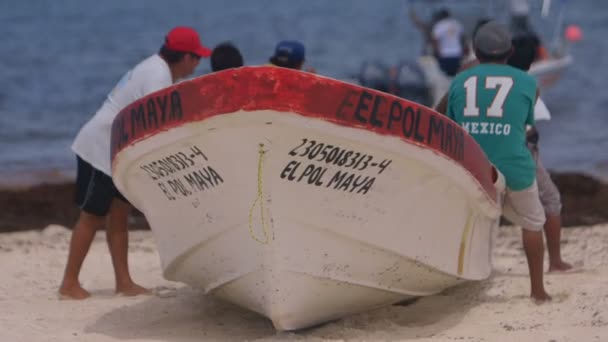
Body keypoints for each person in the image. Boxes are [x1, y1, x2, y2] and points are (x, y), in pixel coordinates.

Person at [59, 26, 211, 300]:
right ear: (185, 57)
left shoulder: (159, 69)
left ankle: (124, 282)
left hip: (118, 150)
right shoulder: (158, 75)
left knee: (119, 213)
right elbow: (158, 126)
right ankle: (69, 283)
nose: (199, 63)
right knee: (92, 216)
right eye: (197, 57)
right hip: (100, 148)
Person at [438, 21, 551, 302]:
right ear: (510, 51)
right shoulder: (528, 82)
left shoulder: (461, 80)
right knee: (534, 223)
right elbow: (523, 123)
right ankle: (538, 291)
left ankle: (456, 282)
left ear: (475, 50)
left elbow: (443, 117)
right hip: (515, 167)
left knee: (464, 224)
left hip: (472, 166)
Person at [507, 37, 573, 272]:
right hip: (521, 154)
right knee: (550, 201)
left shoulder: (490, 80)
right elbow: (529, 128)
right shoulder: (526, 85)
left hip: (488, 153)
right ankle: (555, 261)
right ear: (531, 64)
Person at [430, 8, 468, 76]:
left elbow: (435, 40)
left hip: (445, 54)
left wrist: (436, 52)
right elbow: (463, 39)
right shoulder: (456, 24)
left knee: (445, 76)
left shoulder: (439, 25)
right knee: (455, 75)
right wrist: (464, 51)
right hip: (457, 54)